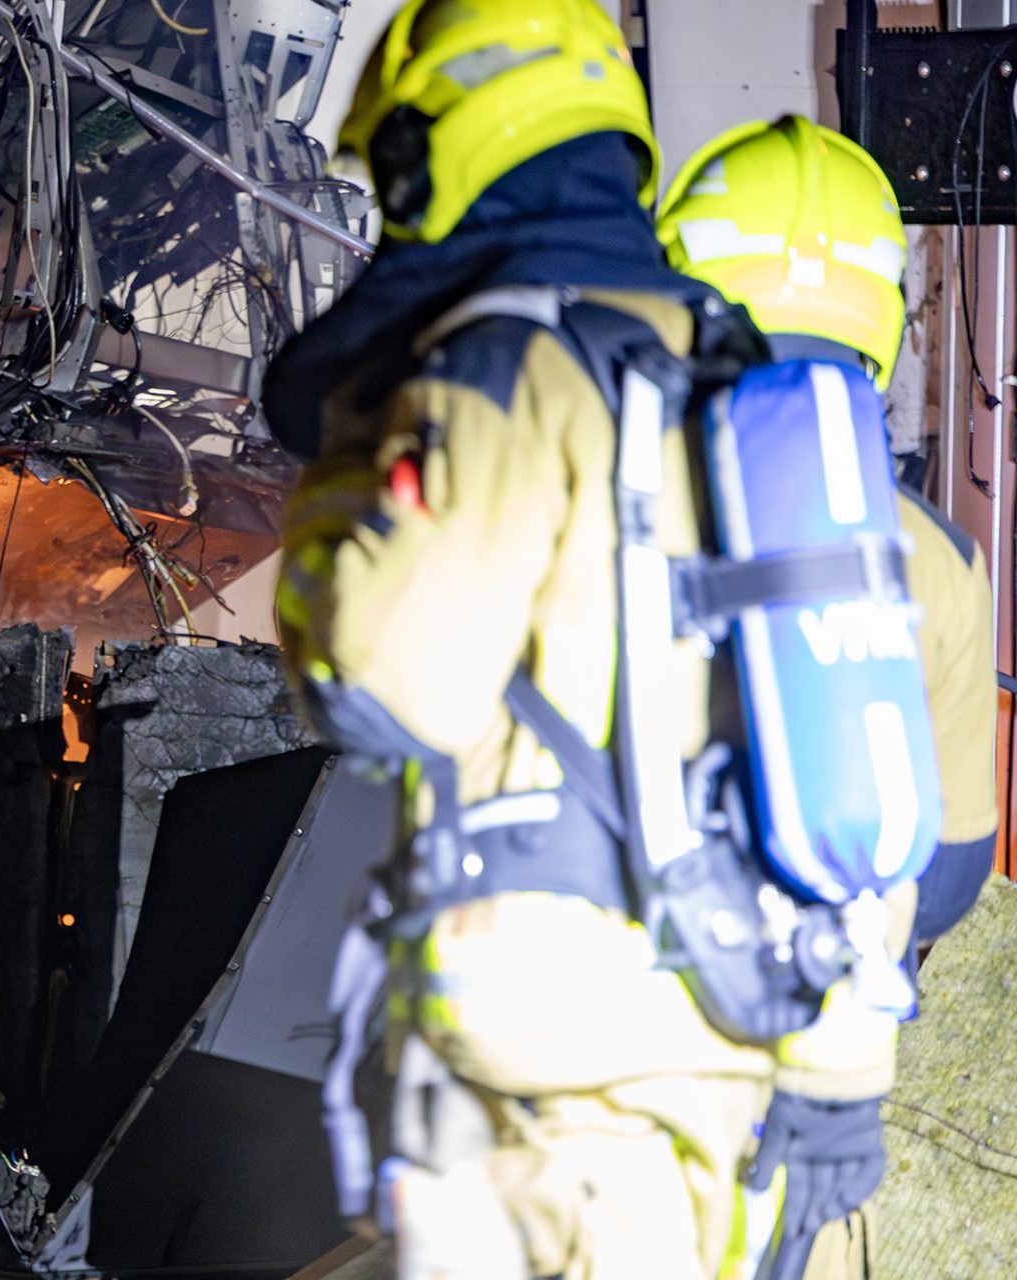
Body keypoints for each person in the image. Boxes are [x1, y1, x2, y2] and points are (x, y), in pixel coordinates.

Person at [264, 3, 995, 1277]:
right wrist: (839, 1068)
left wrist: (351, 466)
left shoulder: (515, 371)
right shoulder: (772, 432)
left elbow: (380, 684)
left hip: (563, 1123)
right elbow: (920, 860)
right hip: (772, 1099)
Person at [654, 113, 999, 1275]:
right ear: (885, 326)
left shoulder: (591, 502)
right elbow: (948, 874)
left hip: (600, 1100)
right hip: (812, 1104)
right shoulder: (937, 557)